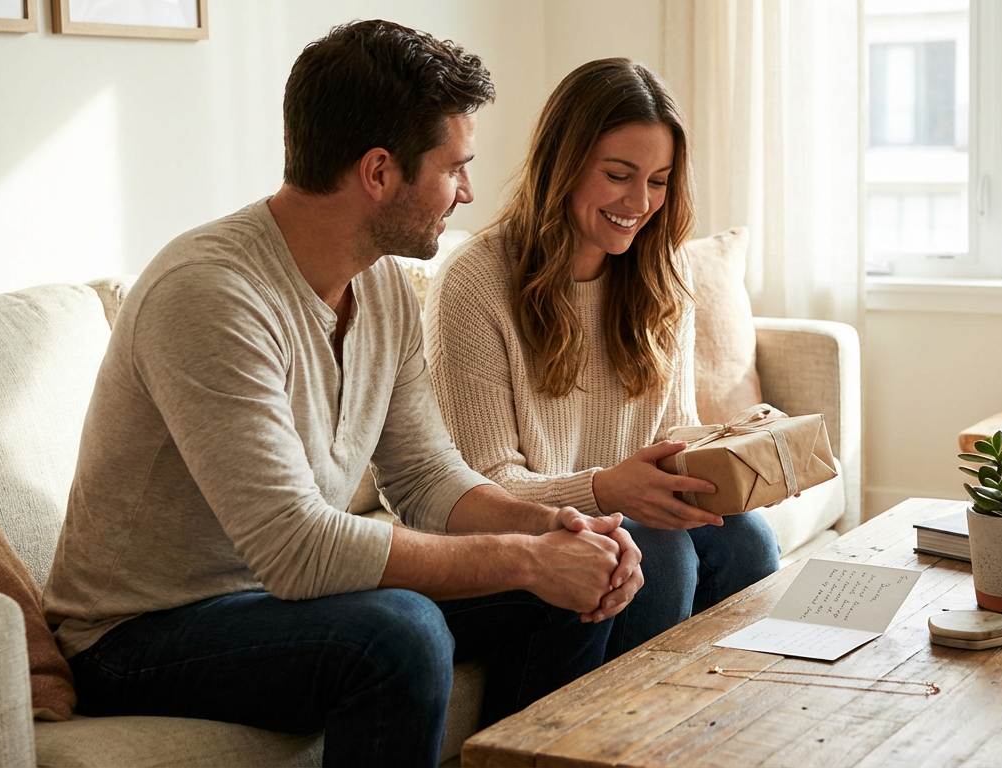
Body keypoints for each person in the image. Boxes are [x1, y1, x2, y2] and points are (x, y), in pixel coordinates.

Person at [41, 21, 641, 768]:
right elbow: (297, 550)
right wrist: (523, 558)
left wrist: (552, 528)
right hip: (141, 634)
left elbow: (424, 478)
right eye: (455, 168)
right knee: (401, 632)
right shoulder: (210, 294)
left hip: (277, 604)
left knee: (582, 578)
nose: (468, 191)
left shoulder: (382, 284)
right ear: (380, 172)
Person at [424, 58, 781, 660]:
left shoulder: (662, 279)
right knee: (656, 550)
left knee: (744, 537)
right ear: (563, 165)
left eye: (660, 180)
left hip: (620, 521)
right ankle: (618, 742)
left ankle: (726, 722)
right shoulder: (474, 283)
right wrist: (604, 490)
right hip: (518, 539)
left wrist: (744, 451)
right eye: (619, 174)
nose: (640, 202)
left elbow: (672, 434)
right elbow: (480, 489)